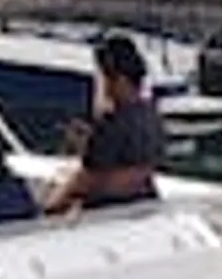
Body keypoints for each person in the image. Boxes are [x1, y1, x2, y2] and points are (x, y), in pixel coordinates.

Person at [42, 33, 164, 214]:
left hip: (104, 216)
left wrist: (49, 209)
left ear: (117, 79)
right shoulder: (152, 117)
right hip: (141, 207)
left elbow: (86, 181)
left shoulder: (111, 125)